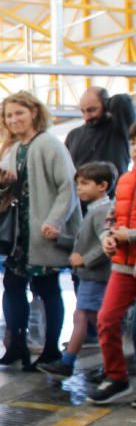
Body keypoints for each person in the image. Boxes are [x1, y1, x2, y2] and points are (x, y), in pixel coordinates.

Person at [0, 91, 80, 372]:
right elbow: (4, 191)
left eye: (19, 113)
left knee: (47, 288)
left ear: (34, 113)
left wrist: (55, 221)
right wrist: (5, 183)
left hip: (43, 230)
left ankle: (50, 350)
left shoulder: (50, 145)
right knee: (13, 286)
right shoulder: (16, 148)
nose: (14, 119)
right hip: (20, 232)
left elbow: (68, 186)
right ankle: (16, 346)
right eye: (9, 115)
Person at [36, 162, 114, 378]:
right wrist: (59, 238)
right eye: (78, 184)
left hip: (94, 277)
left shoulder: (101, 212)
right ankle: (108, 365)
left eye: (84, 184)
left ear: (102, 186)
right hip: (91, 276)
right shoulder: (94, 210)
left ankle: (69, 363)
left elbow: (105, 245)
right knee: (94, 320)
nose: (79, 188)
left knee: (86, 318)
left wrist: (84, 260)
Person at [91, 124, 136, 404]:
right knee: (106, 319)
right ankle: (116, 377)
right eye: (133, 143)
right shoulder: (124, 181)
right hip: (123, 266)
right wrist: (108, 237)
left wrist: (128, 235)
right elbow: (111, 219)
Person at [65, 87, 135, 177]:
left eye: (92, 110)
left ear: (105, 106)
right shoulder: (73, 136)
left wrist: (106, 102)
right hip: (80, 190)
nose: (87, 117)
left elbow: (122, 102)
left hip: (114, 190)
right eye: (83, 111)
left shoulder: (119, 129)